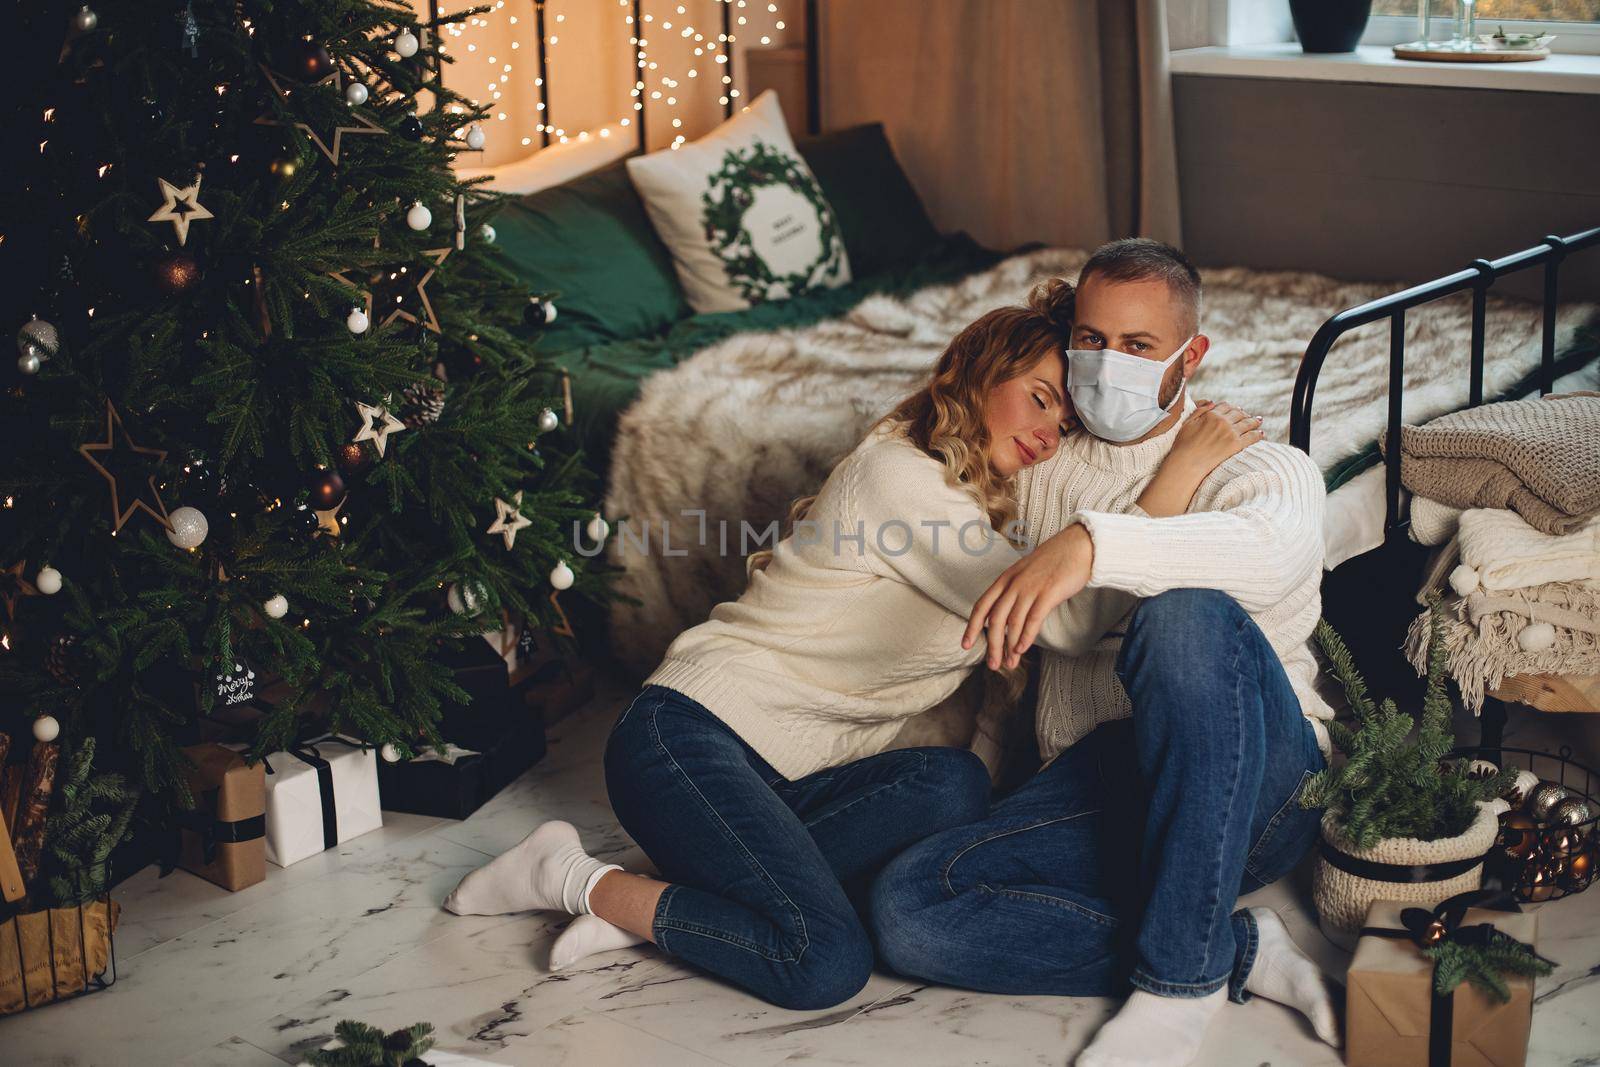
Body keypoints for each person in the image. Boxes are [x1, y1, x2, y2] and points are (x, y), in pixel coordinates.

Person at [443, 278, 1262, 1011]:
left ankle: (658, 906)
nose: (1052, 433)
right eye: (1041, 398)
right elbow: (1073, 622)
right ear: (980, 376)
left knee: (952, 786)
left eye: (1067, 416)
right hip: (686, 737)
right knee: (825, 959)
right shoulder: (905, 481)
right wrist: (1176, 474)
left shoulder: (970, 506)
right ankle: (572, 877)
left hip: (782, 777)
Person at [869, 239, 1340, 1067]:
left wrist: (1091, 546)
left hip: (1259, 787)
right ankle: (1236, 947)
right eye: (1090, 339)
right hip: (1103, 781)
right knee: (908, 910)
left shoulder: (1254, 458)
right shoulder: (1040, 454)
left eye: (1138, 346)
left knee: (1184, 613)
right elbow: (1004, 635)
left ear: (1191, 356)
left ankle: (1178, 986)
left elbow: (1278, 550)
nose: (1105, 363)